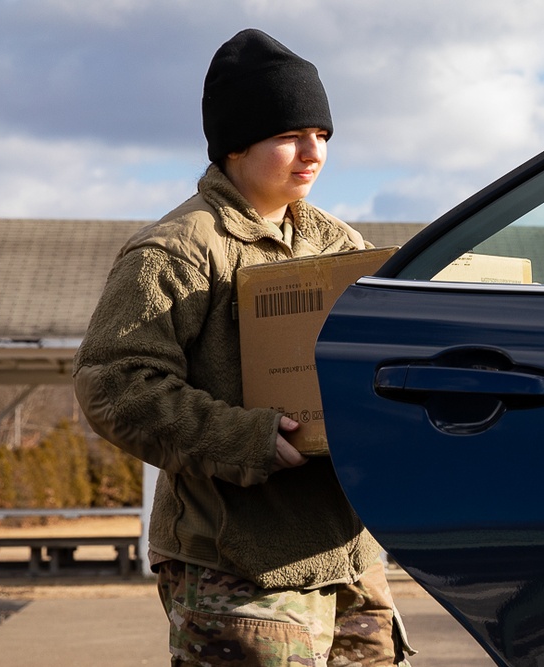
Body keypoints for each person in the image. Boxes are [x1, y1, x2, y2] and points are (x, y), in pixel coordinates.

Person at [74, 28, 412, 666]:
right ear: (236, 144)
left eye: (324, 136)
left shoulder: (342, 248)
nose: (313, 152)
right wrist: (246, 438)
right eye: (290, 134)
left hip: (350, 563)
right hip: (236, 567)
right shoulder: (176, 250)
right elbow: (113, 383)